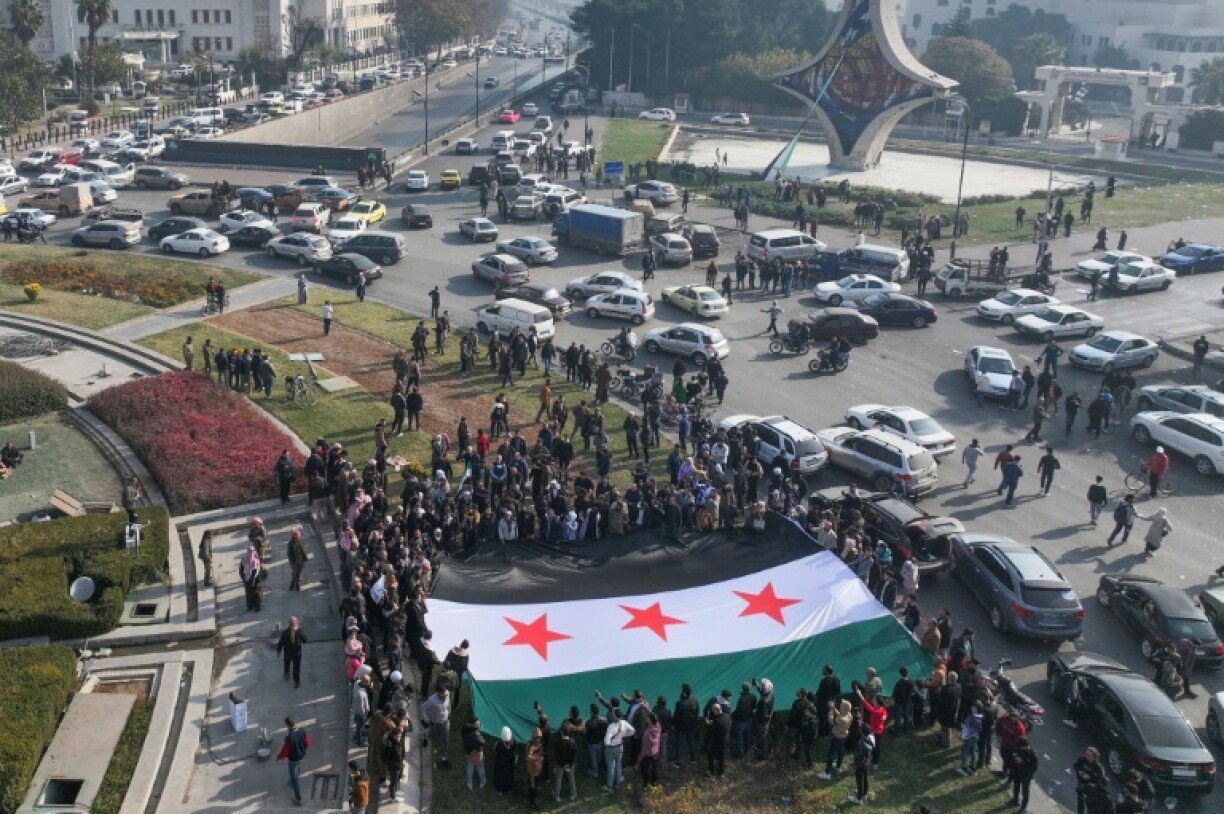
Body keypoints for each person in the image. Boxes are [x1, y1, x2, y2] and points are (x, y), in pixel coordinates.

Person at [276, 716, 311, 806]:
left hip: (293, 759)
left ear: (287, 726)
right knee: (298, 767)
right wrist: (301, 750)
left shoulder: (289, 738)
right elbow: (307, 743)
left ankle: (298, 798)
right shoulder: (302, 731)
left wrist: (278, 757)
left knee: (294, 777)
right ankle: (295, 779)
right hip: (301, 755)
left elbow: (284, 751)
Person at [277, 616, 308, 687]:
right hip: (290, 653)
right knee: (289, 665)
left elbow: (305, 640)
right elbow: (281, 642)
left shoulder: (298, 631)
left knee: (294, 667)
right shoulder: (285, 633)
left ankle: (294, 679)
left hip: (294, 653)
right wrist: (279, 650)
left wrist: (279, 651)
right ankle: (289, 675)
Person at [1010, 737, 1039, 811]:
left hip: (1026, 776)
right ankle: (1015, 800)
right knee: (1016, 787)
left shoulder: (1032, 755)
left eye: (1022, 747)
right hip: (1017, 772)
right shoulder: (1018, 749)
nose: (1020, 749)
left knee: (1025, 792)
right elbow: (1014, 755)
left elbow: (1033, 768)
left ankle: (1023, 807)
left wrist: (1022, 762)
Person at [462, 716, 486, 791]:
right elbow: (483, 742)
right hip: (477, 752)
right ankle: (483, 781)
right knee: (480, 767)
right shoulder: (476, 734)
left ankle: (469, 783)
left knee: (470, 766)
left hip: (468, 752)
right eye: (477, 724)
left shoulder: (464, 730)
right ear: (473, 724)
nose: (478, 725)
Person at [493, 727, 516, 794]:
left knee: (500, 776)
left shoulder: (499, 744)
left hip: (501, 763)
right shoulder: (513, 741)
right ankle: (508, 789)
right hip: (510, 762)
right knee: (509, 775)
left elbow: (496, 751)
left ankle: (500, 789)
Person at [239, 545, 262, 611]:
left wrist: (256, 579)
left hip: (255, 580)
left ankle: (257, 606)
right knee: (249, 593)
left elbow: (258, 570)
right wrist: (243, 577)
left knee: (256, 593)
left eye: (252, 551)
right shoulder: (244, 559)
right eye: (250, 551)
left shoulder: (256, 560)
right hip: (247, 580)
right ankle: (250, 606)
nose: (251, 553)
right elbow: (241, 569)